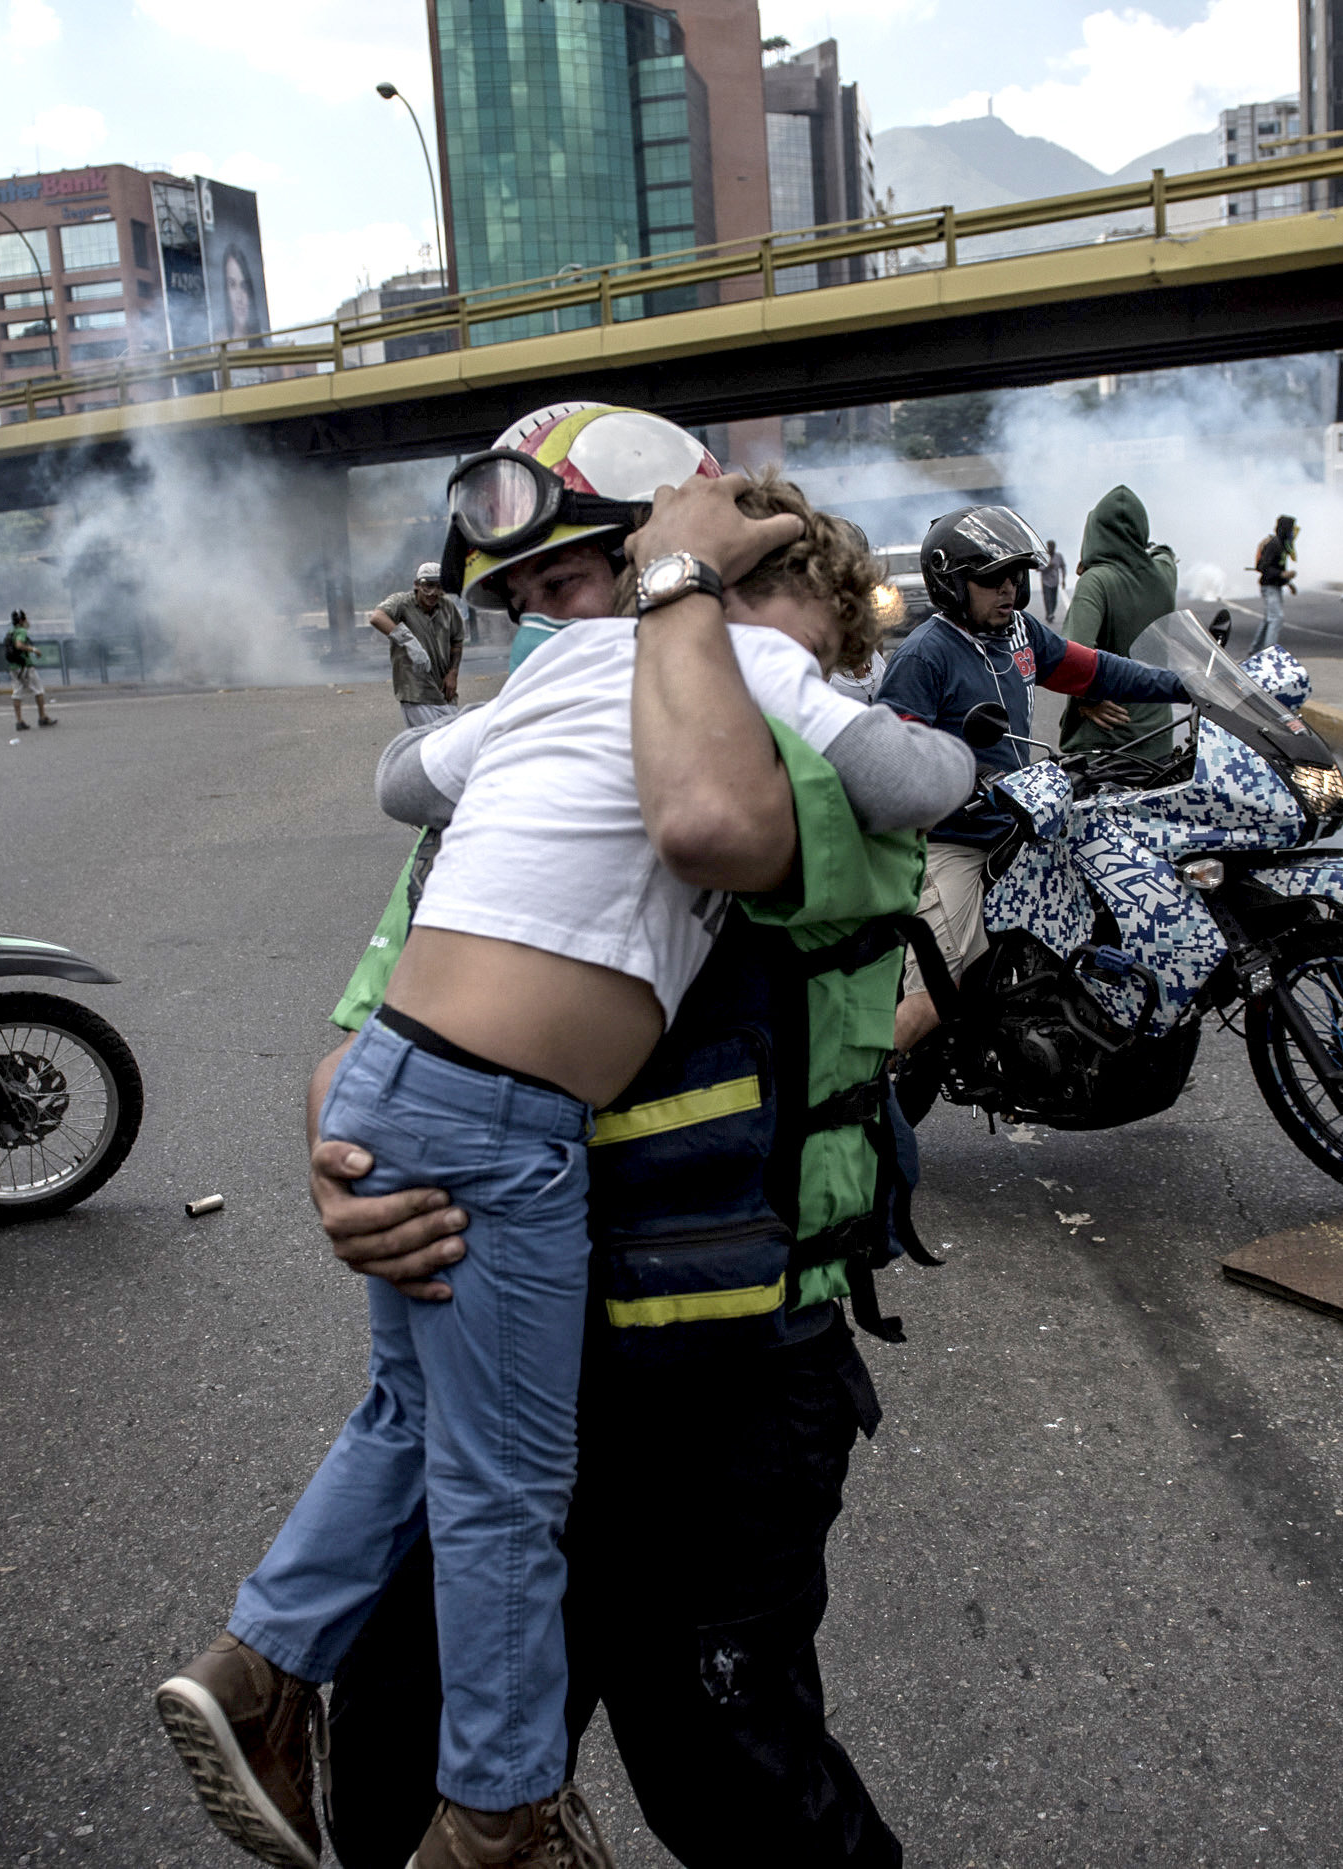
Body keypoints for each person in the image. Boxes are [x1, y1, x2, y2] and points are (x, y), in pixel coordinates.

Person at [157, 424, 969, 1868]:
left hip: (722, 1376)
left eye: (586, 579)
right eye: (524, 600)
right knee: (392, 1735)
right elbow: (362, 1033)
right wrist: (348, 1182)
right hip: (508, 1305)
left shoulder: (779, 741)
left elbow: (721, 810)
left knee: (722, 1752)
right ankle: (455, 1785)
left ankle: (506, 1807)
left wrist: (690, 609)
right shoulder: (563, 727)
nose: (555, 624)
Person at [877, 503, 1194, 1054]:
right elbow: (896, 754)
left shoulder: (1020, 634)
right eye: (990, 578)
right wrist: (976, 780)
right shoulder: (926, 655)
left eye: (1015, 576)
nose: (1008, 589)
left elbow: (1094, 668)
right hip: (954, 840)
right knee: (939, 990)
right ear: (952, 583)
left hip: (1023, 828)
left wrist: (1185, 685)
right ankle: (845, 1099)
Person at [1057, 484, 1185, 767]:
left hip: (1107, 743)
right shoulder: (1164, 574)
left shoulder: (1096, 581)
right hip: (1158, 739)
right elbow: (1165, 552)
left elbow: (1073, 655)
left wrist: (1088, 699)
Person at [371, 562, 468, 728]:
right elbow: (377, 617)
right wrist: (408, 641)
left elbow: (457, 641)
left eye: (438, 587)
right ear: (416, 585)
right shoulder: (401, 602)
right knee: (429, 744)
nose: (433, 593)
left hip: (445, 691)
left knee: (451, 741)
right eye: (428, 586)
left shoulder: (447, 607)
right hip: (416, 690)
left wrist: (453, 672)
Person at [1252, 513, 1298, 649]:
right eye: (1291, 529)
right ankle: (1269, 652)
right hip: (1269, 587)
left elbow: (1278, 568)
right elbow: (1263, 567)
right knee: (1276, 618)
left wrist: (1288, 582)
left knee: (1269, 618)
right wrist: (1282, 574)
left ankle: (1255, 649)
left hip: (1274, 586)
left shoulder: (1281, 545)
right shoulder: (1274, 544)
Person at [5, 609, 53, 731]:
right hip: (25, 666)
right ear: (21, 620)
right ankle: (42, 717)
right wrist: (33, 650)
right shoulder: (21, 631)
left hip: (14, 667)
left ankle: (19, 721)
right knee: (38, 690)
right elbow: (19, 645)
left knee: (17, 693)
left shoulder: (10, 632)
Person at [1040, 536, 1066, 622]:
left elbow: (1063, 567)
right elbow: (1038, 567)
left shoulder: (1058, 556)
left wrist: (1063, 580)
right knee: (1047, 598)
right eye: (1050, 546)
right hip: (1045, 581)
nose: (1051, 548)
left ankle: (1051, 613)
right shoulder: (1044, 556)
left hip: (1055, 581)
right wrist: (1047, 567)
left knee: (1054, 599)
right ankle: (1049, 614)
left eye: (1053, 546)